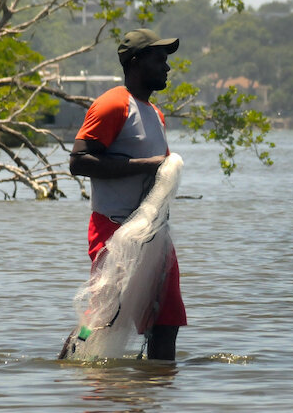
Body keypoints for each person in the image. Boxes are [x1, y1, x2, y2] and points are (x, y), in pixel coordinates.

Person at [69, 29, 186, 360]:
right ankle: (72, 364)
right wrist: (147, 165)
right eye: (159, 60)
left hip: (154, 236)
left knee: (166, 320)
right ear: (135, 63)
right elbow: (78, 161)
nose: (166, 67)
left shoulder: (154, 113)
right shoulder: (113, 104)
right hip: (113, 228)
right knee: (103, 316)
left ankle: (159, 383)